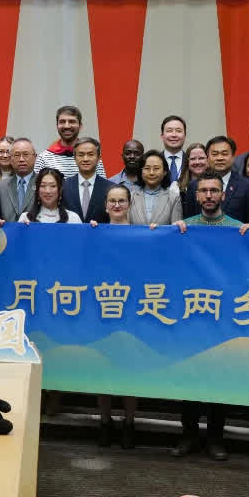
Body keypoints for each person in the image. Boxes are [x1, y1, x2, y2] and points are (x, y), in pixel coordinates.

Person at [171, 171, 249, 460]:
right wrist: (169, 233)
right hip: (191, 314)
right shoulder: (184, 227)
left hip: (223, 316)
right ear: (196, 195)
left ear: (223, 194)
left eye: (214, 190)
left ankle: (216, 438)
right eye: (203, 190)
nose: (208, 195)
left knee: (220, 377)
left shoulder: (238, 229)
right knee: (189, 376)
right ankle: (188, 435)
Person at [89, 183, 138, 447]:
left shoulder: (143, 235)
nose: (117, 205)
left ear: (129, 204)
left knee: (129, 370)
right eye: (112, 201)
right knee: (102, 368)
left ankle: (129, 422)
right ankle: (105, 421)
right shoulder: (95, 232)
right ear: (106, 205)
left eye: (122, 201)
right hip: (102, 309)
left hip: (131, 312)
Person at [183, 135, 249, 224]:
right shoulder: (194, 185)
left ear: (233, 156)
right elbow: (189, 221)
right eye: (215, 154)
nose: (219, 158)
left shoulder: (247, 186)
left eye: (224, 154)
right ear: (207, 158)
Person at [36, 105, 103, 178]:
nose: (66, 126)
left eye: (72, 121)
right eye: (62, 122)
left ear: (80, 126)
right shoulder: (43, 158)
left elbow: (102, 183)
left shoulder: (93, 157)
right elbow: (36, 184)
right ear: (57, 126)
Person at [63, 137, 110, 224]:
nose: (85, 159)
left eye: (90, 154)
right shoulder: (63, 186)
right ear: (75, 158)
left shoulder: (110, 188)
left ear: (99, 158)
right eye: (81, 155)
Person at [128, 151, 181, 226]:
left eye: (156, 168)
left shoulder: (174, 198)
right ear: (141, 172)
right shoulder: (130, 197)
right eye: (147, 168)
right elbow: (125, 228)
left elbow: (176, 228)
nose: (151, 173)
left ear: (164, 172)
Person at [0, 138, 38, 222]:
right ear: (10, 159)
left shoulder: (43, 183)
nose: (21, 159)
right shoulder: (0, 186)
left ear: (35, 157)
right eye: (16, 155)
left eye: (26, 154)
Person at [159, 115, 188, 184]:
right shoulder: (154, 160)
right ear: (162, 136)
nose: (174, 135)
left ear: (185, 136)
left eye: (178, 131)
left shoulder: (191, 161)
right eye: (169, 131)